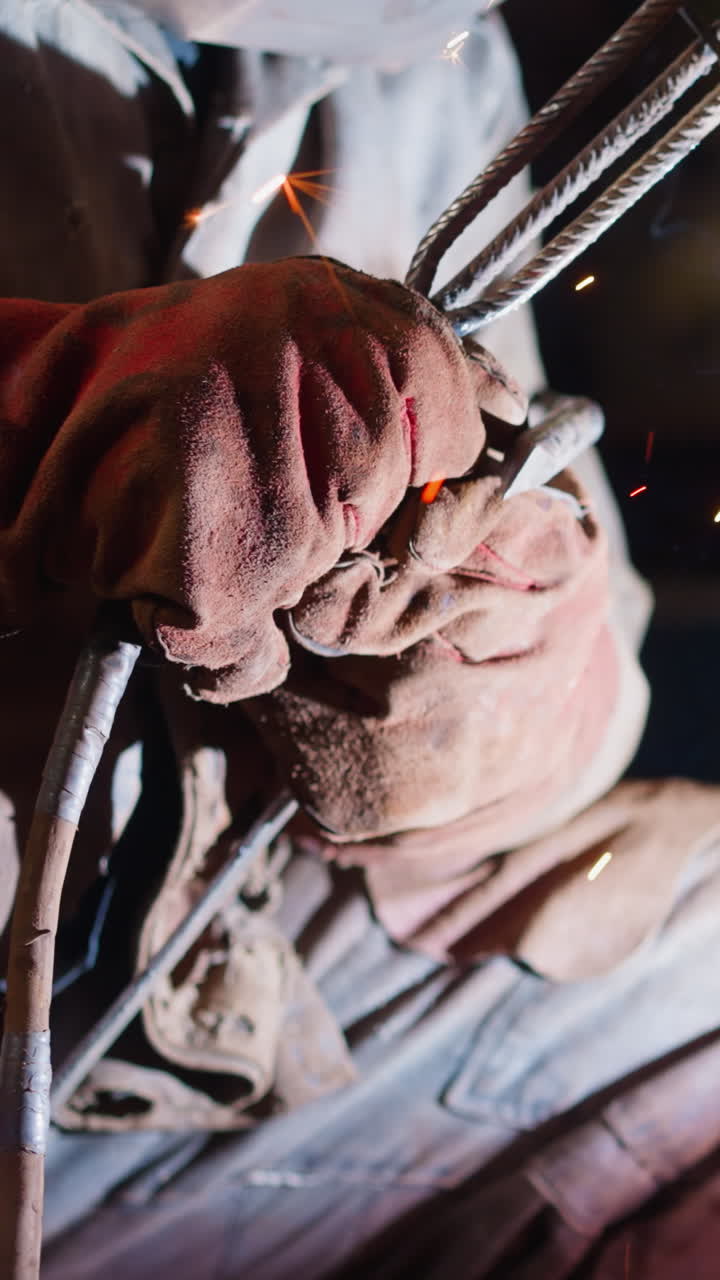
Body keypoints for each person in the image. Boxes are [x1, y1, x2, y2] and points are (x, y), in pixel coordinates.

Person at [1, 2, 720, 1276]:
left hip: (163, 1031)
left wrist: (510, 663)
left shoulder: (424, 55)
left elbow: (597, 661)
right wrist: (48, 401)